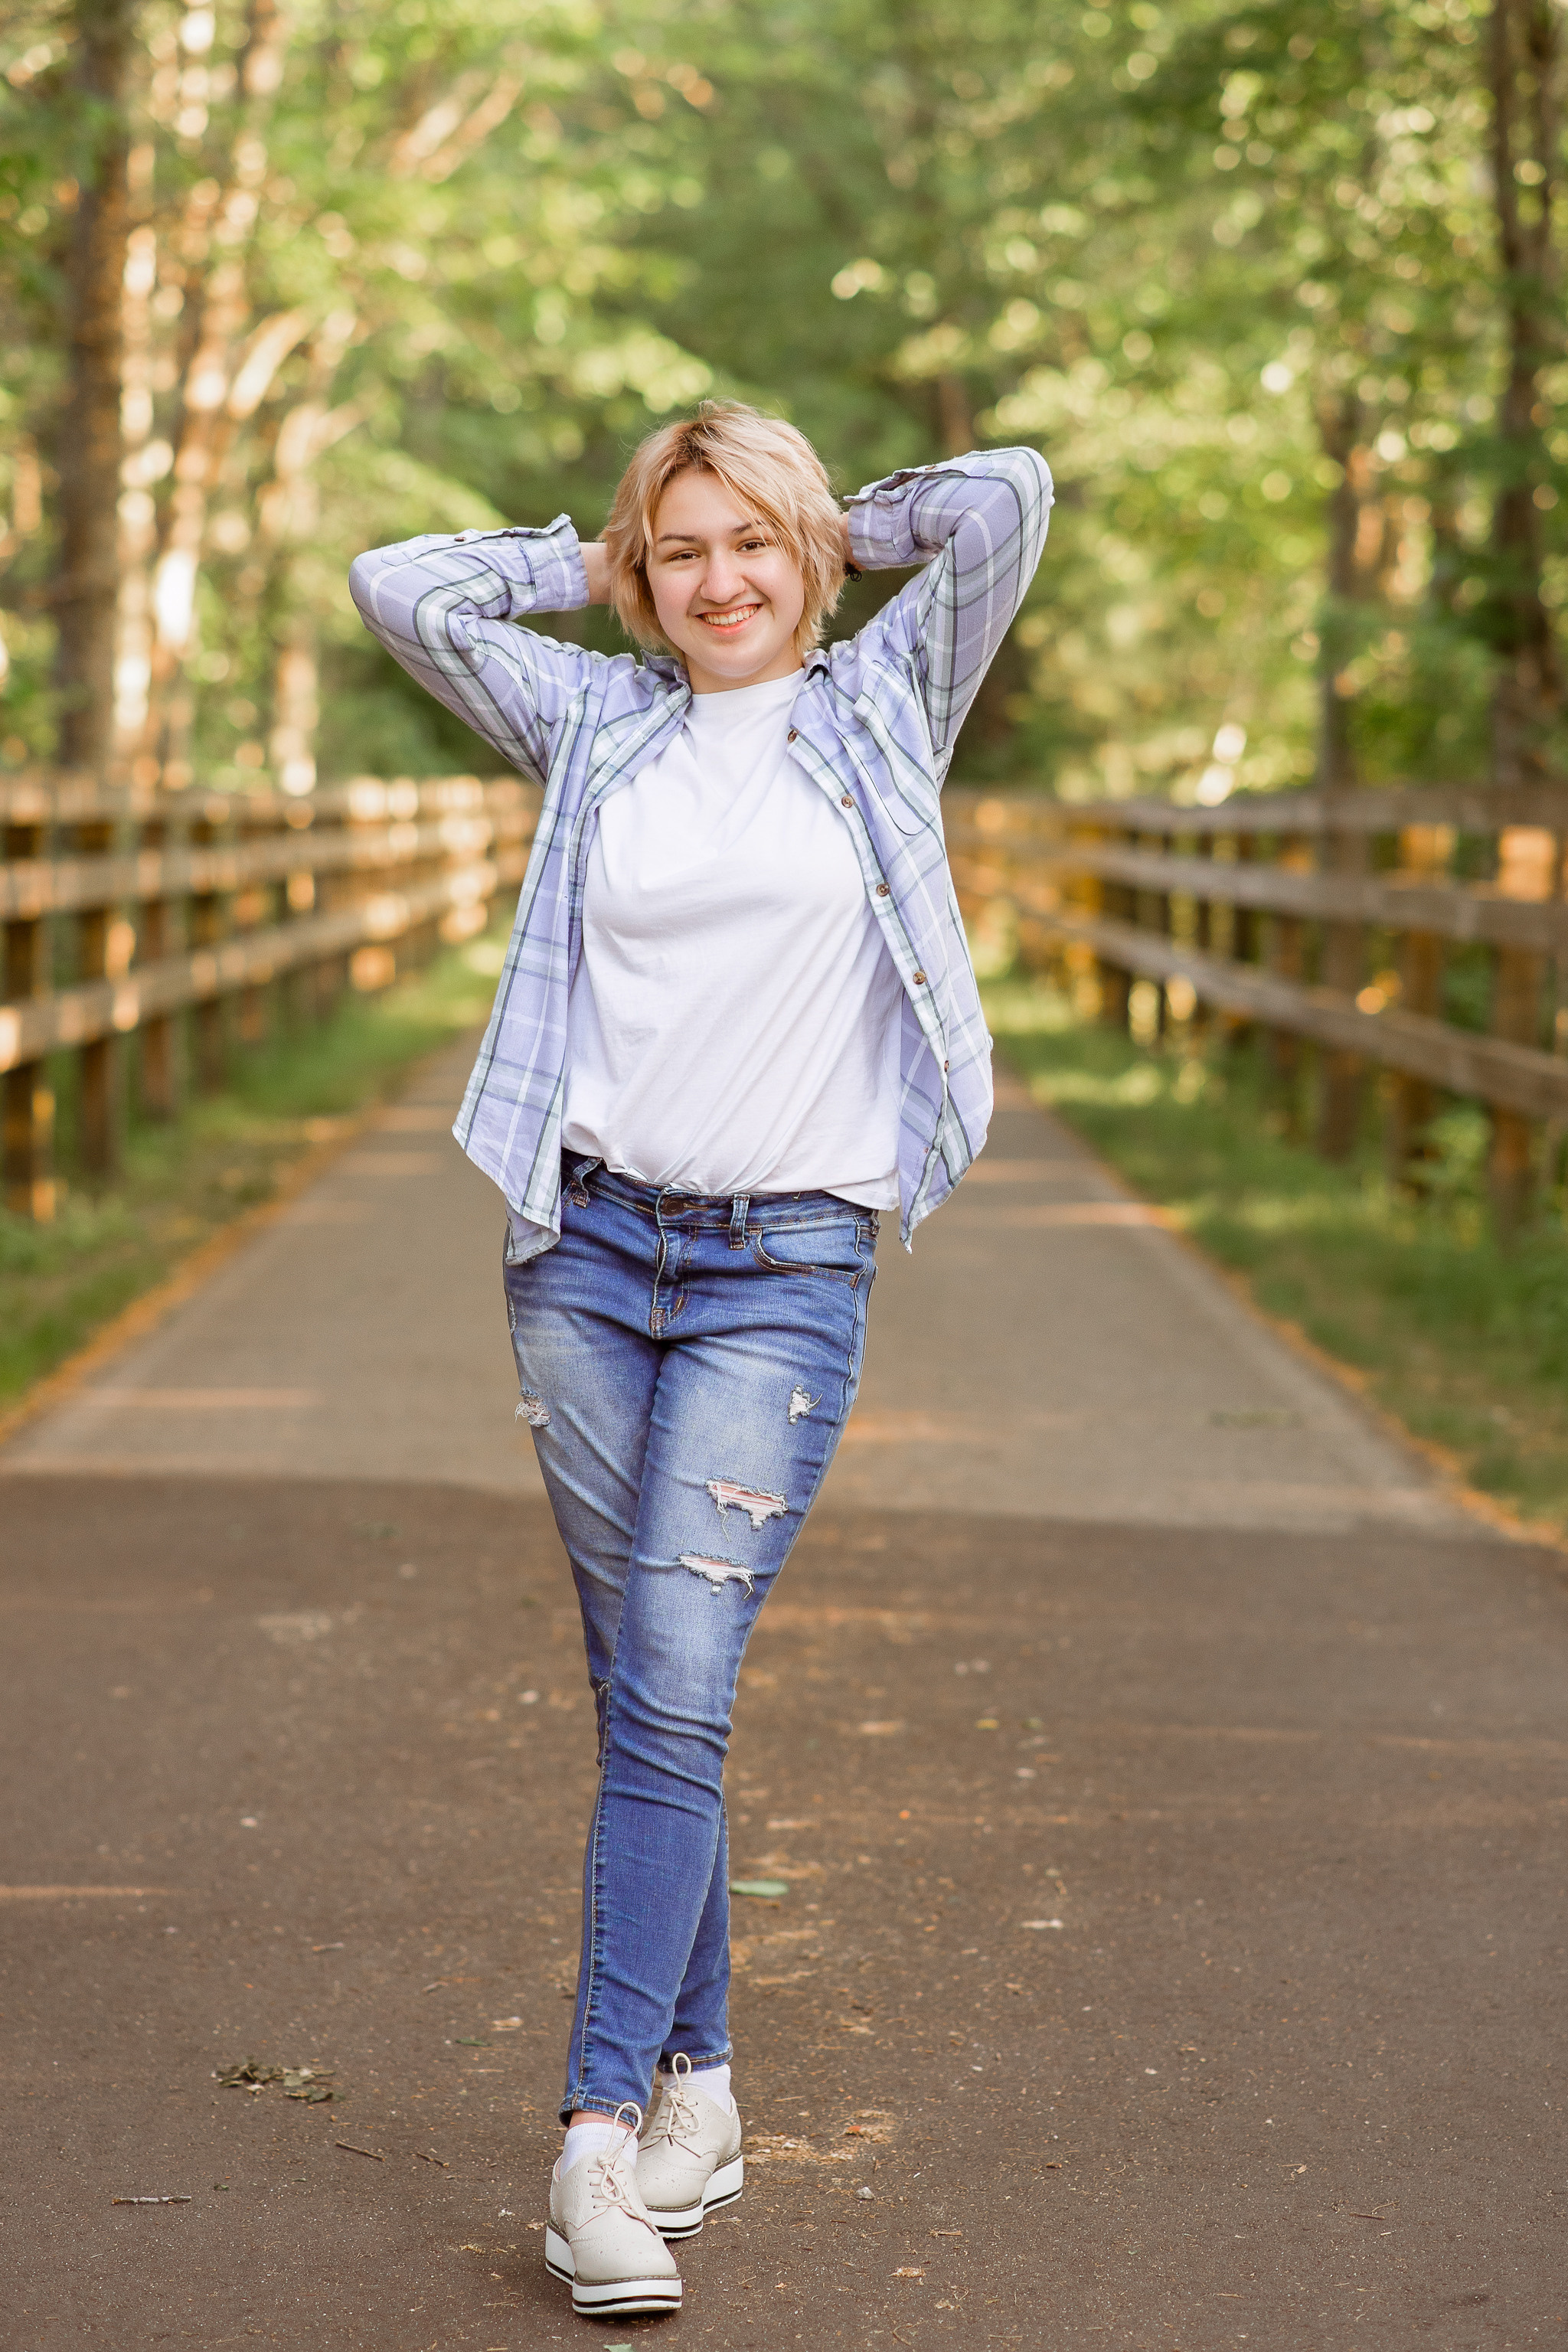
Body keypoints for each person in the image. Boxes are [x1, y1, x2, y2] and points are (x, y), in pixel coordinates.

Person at [348, 403, 1050, 2320]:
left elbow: (1007, 498)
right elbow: (395, 587)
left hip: (782, 1271)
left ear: (806, 550)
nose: (720, 581)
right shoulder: (596, 720)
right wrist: (586, 561)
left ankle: (593, 2145)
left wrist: (825, 524)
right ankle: (704, 2092)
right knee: (650, 1691)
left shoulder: (887, 698)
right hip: (583, 1255)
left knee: (671, 1683)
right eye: (683, 552)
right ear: (641, 580)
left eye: (752, 543)